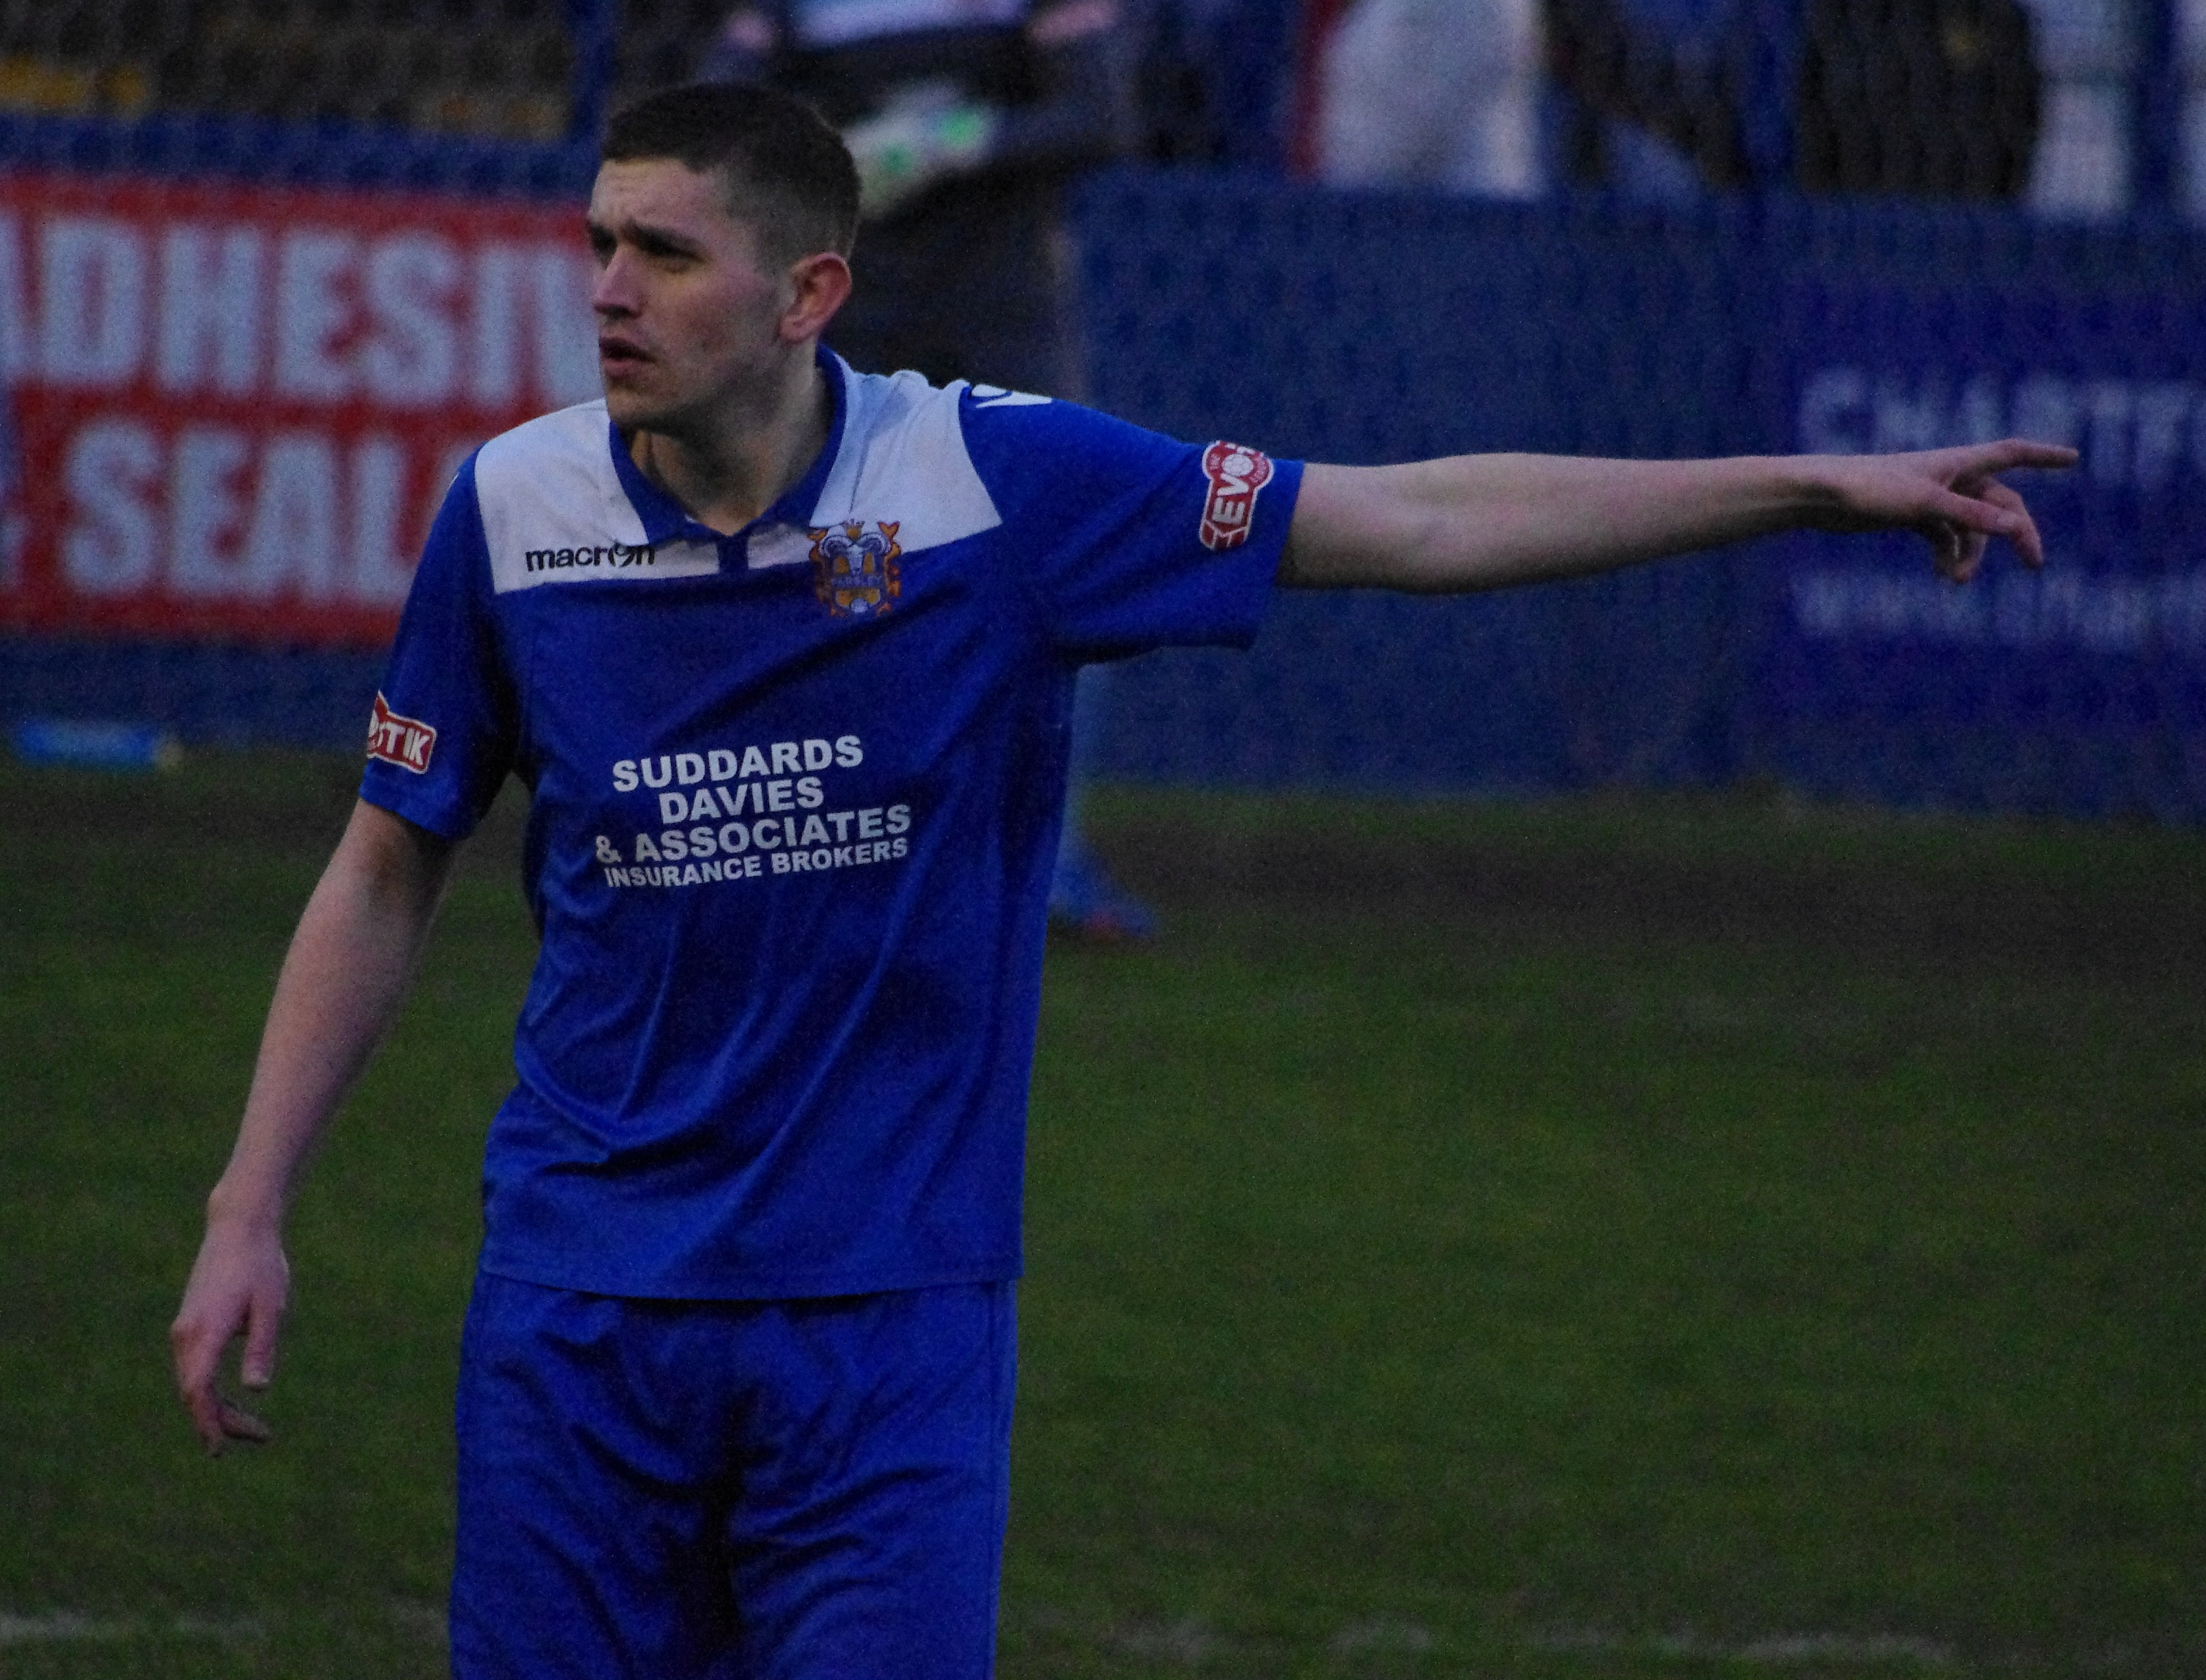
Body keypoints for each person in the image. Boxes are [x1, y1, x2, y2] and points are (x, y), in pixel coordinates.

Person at [168, 79, 2072, 1680]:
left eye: (662, 252)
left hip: (886, 1332)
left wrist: (1809, 484)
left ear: (810, 290)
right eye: (597, 242)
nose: (605, 290)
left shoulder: (994, 487)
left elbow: (1416, 517)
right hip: (579, 1318)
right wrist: (251, 1203)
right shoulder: (513, 512)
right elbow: (385, 866)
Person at [700, 0, 1159, 939]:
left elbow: (1102, 115)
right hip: (854, 324)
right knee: (841, 589)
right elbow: (714, 120)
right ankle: (836, 855)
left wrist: (959, 140)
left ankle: (1045, 862)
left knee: (1055, 571)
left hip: (1006, 322)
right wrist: (829, 155)